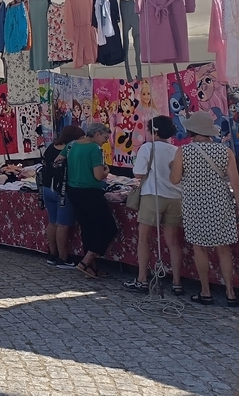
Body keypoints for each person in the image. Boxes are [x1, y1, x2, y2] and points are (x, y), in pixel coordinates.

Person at [170, 110, 239, 305]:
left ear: (191, 130)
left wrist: (173, 168)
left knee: (199, 248)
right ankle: (230, 293)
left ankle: (206, 292)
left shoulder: (183, 151)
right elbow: (235, 183)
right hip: (220, 203)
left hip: (194, 205)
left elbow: (175, 179)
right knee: (223, 249)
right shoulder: (225, 152)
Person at [126, 116, 184, 294]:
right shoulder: (177, 150)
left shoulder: (147, 148)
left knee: (144, 238)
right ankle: (177, 282)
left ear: (154, 131)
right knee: (173, 242)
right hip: (175, 197)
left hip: (153, 195)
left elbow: (138, 173)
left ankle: (142, 279)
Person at [65, 122, 117, 279]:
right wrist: (106, 171)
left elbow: (59, 159)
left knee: (88, 227)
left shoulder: (72, 144)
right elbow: (98, 175)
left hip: (73, 190)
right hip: (90, 191)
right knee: (108, 228)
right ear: (97, 134)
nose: (105, 142)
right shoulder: (95, 149)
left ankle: (90, 267)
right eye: (105, 138)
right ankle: (86, 261)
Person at [39, 126, 83, 269]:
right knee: (63, 225)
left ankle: (53, 255)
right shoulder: (71, 149)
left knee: (53, 223)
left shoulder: (51, 147)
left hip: (47, 188)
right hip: (62, 189)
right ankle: (63, 258)